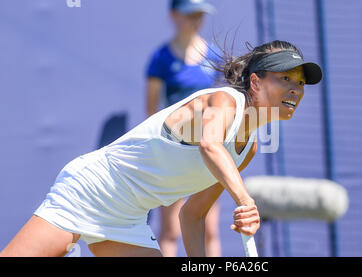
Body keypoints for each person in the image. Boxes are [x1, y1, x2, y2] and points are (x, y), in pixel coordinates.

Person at [0, 40, 322, 257]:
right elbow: (210, 145)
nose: (295, 89)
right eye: (285, 79)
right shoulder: (225, 101)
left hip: (128, 218)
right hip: (91, 189)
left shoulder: (247, 149)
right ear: (255, 82)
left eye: (300, 83)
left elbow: (192, 215)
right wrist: (245, 200)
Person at [145, 0, 221, 257]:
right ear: (174, 16)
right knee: (170, 230)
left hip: (208, 150)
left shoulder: (215, 56)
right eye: (191, 14)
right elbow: (151, 110)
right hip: (174, 151)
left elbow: (225, 104)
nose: (196, 20)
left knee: (208, 227)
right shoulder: (161, 59)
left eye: (200, 15)